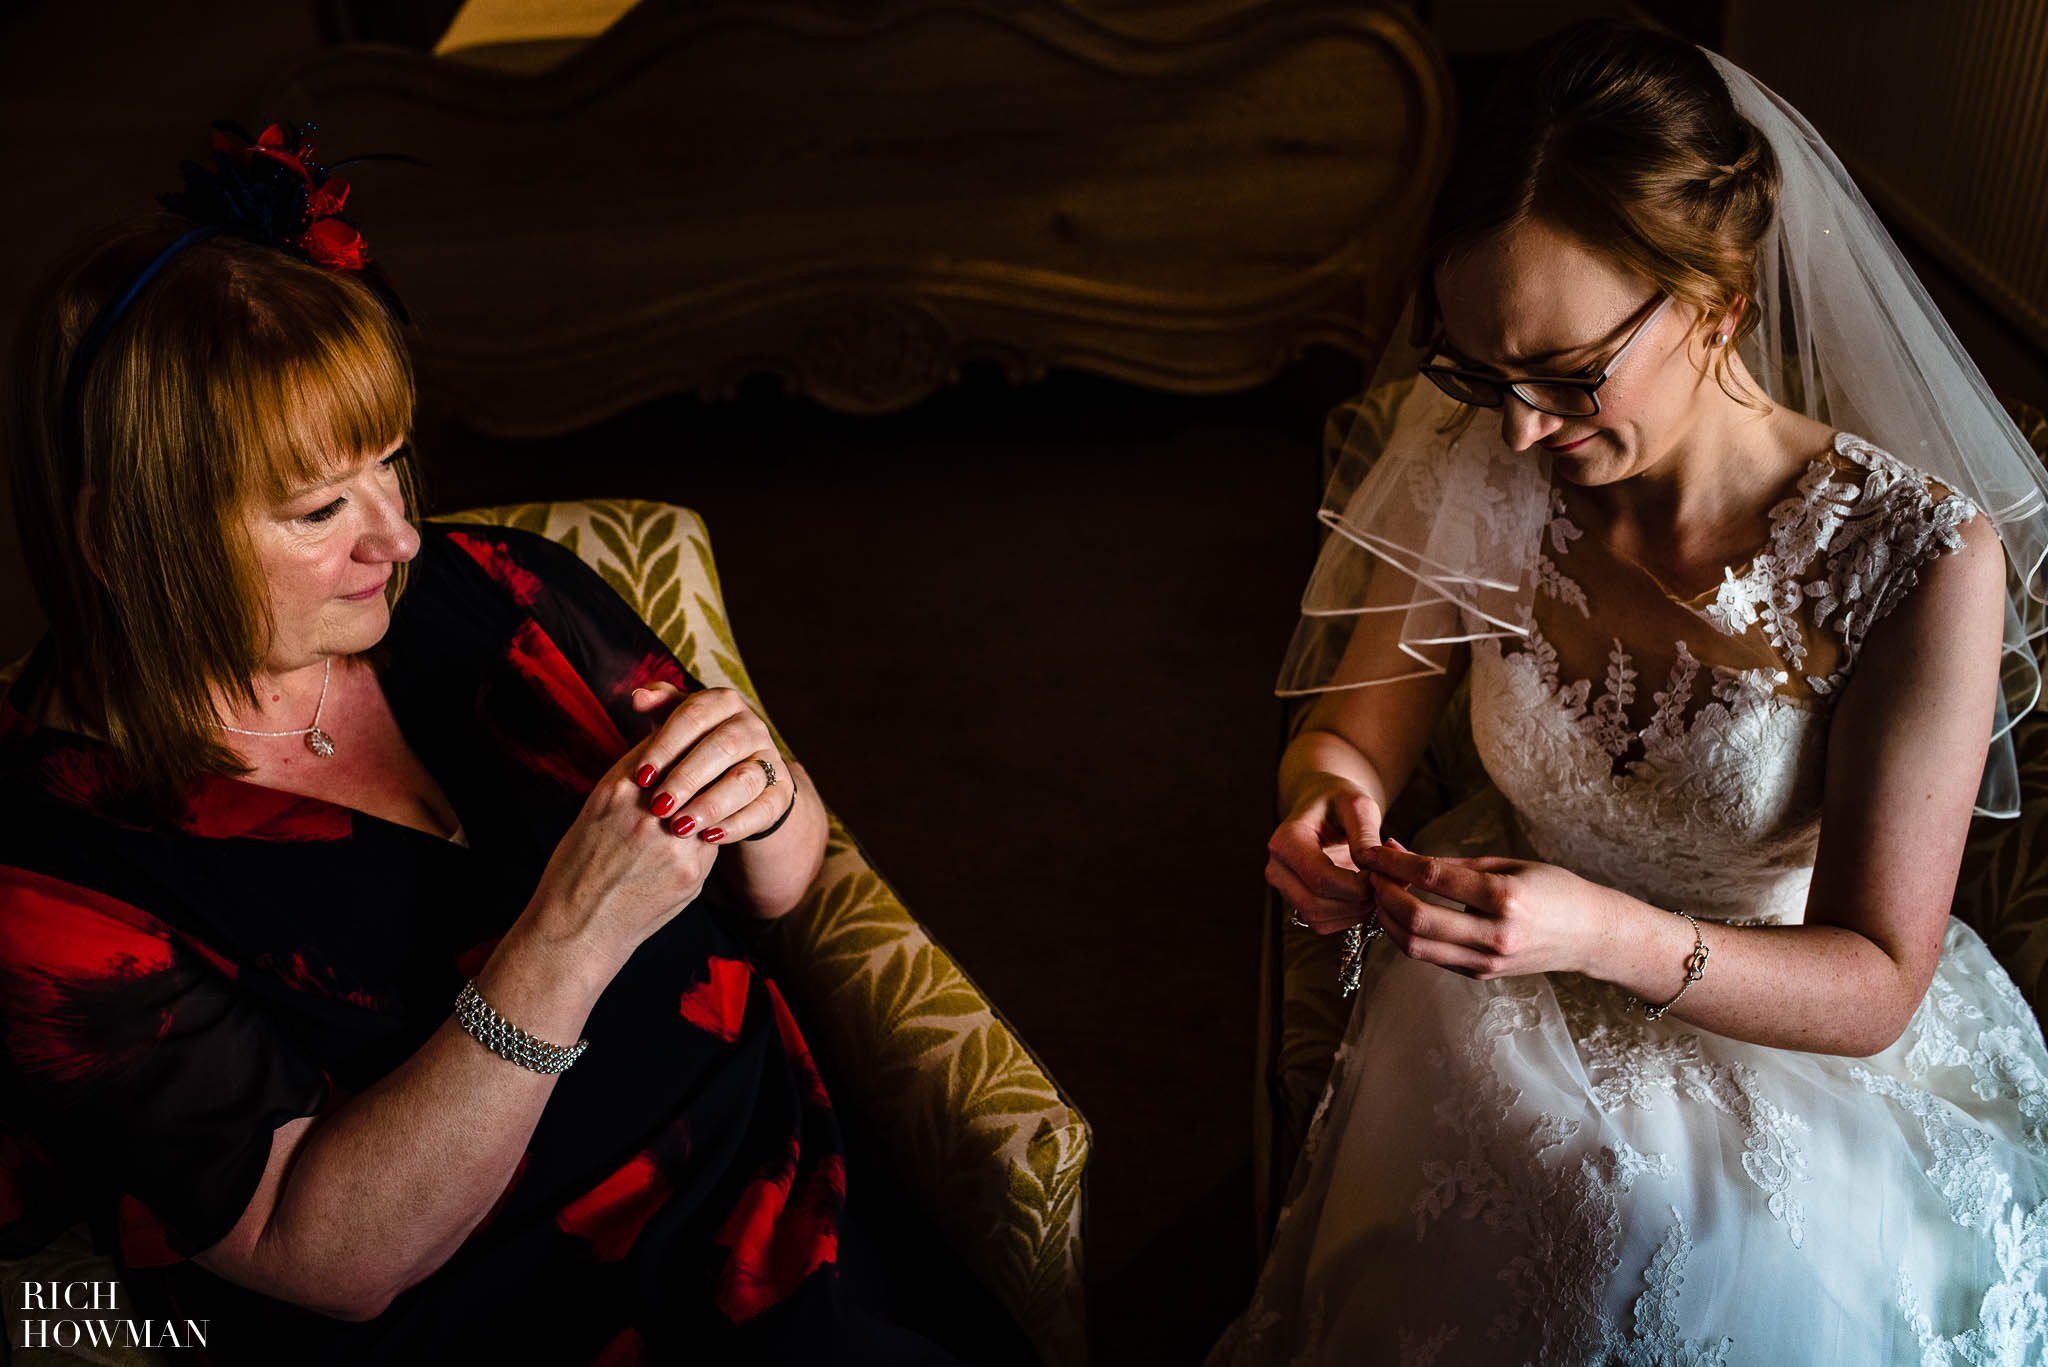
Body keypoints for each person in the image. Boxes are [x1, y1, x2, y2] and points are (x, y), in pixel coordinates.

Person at [0, 124, 1025, 1366]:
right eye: (319, 507)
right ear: (124, 542)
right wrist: (568, 936)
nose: (398, 536)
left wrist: (760, 787)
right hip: (523, 1313)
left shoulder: (500, 587)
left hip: (795, 1208)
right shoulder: (53, 879)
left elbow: (781, 879)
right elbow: (325, 1259)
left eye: (390, 462)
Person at [1214, 21, 2048, 1366]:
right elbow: (1350, 730)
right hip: (1493, 1009)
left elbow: (1877, 980)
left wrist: (1601, 931)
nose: (1520, 428)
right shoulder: (1473, 444)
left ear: (1718, 298)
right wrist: (1327, 798)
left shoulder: (1915, 559)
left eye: (1567, 376)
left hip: (1788, 1037)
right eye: (1482, 371)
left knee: (1663, 1249)